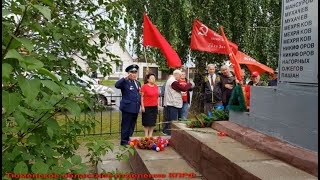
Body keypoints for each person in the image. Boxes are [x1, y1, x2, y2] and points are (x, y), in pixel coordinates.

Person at [115, 64, 141, 146]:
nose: (134, 74)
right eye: (132, 72)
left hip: (135, 108)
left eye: (135, 72)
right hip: (127, 108)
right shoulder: (125, 82)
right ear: (128, 73)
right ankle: (124, 141)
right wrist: (125, 78)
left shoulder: (137, 83)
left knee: (132, 125)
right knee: (126, 125)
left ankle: (129, 139)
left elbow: (138, 94)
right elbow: (116, 85)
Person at [163, 69, 192, 135]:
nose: (180, 77)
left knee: (171, 120)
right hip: (173, 104)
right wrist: (190, 84)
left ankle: (169, 132)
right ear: (176, 75)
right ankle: (171, 133)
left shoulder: (171, 80)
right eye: (180, 76)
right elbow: (183, 89)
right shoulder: (173, 82)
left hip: (172, 103)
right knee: (174, 121)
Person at [141, 73, 160, 137]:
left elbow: (157, 97)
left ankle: (150, 135)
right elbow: (142, 97)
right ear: (148, 79)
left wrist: (158, 105)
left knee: (152, 122)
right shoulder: (144, 86)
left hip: (154, 106)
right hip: (147, 106)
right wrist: (142, 106)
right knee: (146, 123)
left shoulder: (156, 86)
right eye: (151, 78)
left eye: (154, 78)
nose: (153, 79)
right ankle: (146, 136)